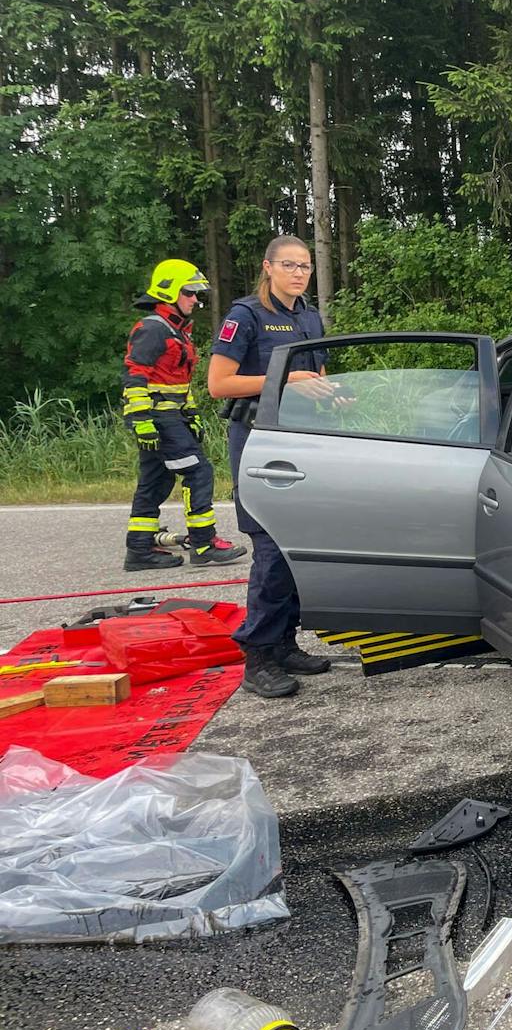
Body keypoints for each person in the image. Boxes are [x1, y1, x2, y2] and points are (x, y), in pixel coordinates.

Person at [207, 235, 335, 698]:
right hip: (261, 445)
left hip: (303, 438)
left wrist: (332, 390)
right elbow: (219, 384)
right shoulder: (245, 316)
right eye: (289, 265)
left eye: (305, 266)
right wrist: (288, 378)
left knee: (298, 547)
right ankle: (257, 655)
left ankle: (284, 643)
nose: (299, 273)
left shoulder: (309, 314)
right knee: (271, 550)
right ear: (268, 267)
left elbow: (314, 377)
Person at [122, 259, 246, 571]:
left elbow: (177, 381)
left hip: (170, 420)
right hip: (158, 421)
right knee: (198, 472)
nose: (195, 300)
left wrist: (191, 414)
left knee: (155, 481)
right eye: (190, 293)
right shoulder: (152, 330)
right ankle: (203, 543)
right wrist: (141, 421)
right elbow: (135, 377)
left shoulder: (176, 332)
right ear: (169, 292)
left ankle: (139, 548)